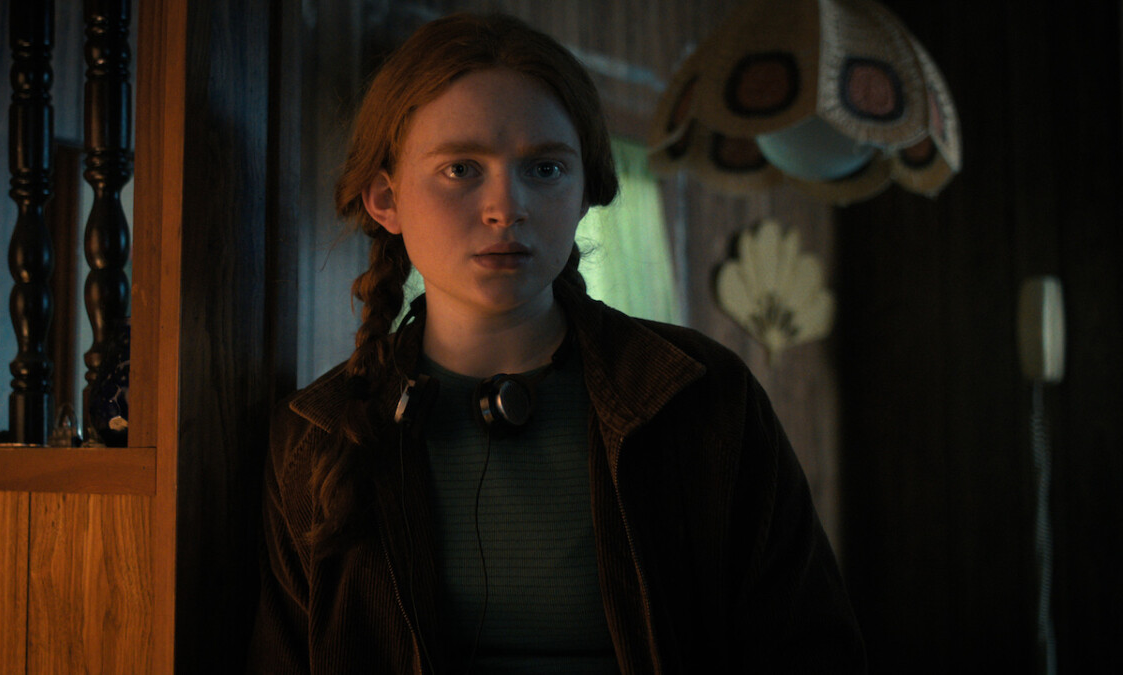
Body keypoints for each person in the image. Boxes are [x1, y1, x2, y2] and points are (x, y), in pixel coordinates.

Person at [248, 11, 866, 674]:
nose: (505, 207)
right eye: (461, 168)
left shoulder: (701, 396)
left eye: (545, 168)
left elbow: (811, 647)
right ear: (385, 198)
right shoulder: (317, 437)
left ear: (584, 191)